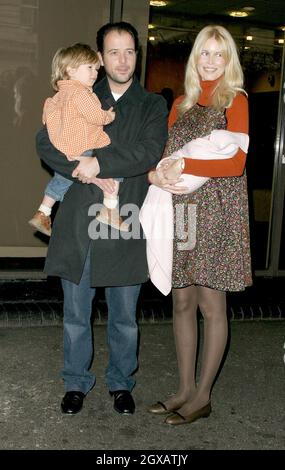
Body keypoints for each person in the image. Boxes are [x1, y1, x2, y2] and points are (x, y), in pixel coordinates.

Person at [35, 22, 168, 415]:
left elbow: (148, 152)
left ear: (137, 55)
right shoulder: (77, 91)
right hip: (79, 217)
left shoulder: (151, 105)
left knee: (124, 315)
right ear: (99, 57)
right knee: (76, 311)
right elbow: (46, 141)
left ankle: (120, 383)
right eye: (113, 52)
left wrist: (99, 161)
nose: (122, 59)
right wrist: (83, 166)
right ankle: (76, 381)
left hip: (123, 215)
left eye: (129, 51)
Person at [147, 25, 252, 425]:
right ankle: (184, 389)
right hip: (181, 211)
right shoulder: (181, 104)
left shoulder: (235, 100)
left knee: (212, 304)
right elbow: (163, 157)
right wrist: (154, 176)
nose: (209, 62)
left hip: (218, 214)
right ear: (195, 58)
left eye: (218, 55)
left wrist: (187, 164)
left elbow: (235, 163)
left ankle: (203, 396)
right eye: (203, 54)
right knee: (181, 301)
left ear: (229, 61)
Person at [29, 43, 130, 237]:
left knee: (62, 177)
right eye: (89, 68)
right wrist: (108, 116)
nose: (95, 73)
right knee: (116, 168)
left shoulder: (58, 96)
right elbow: (95, 116)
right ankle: (110, 208)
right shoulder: (82, 93)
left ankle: (44, 210)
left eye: (96, 68)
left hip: (65, 148)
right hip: (84, 145)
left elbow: (47, 121)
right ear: (71, 70)